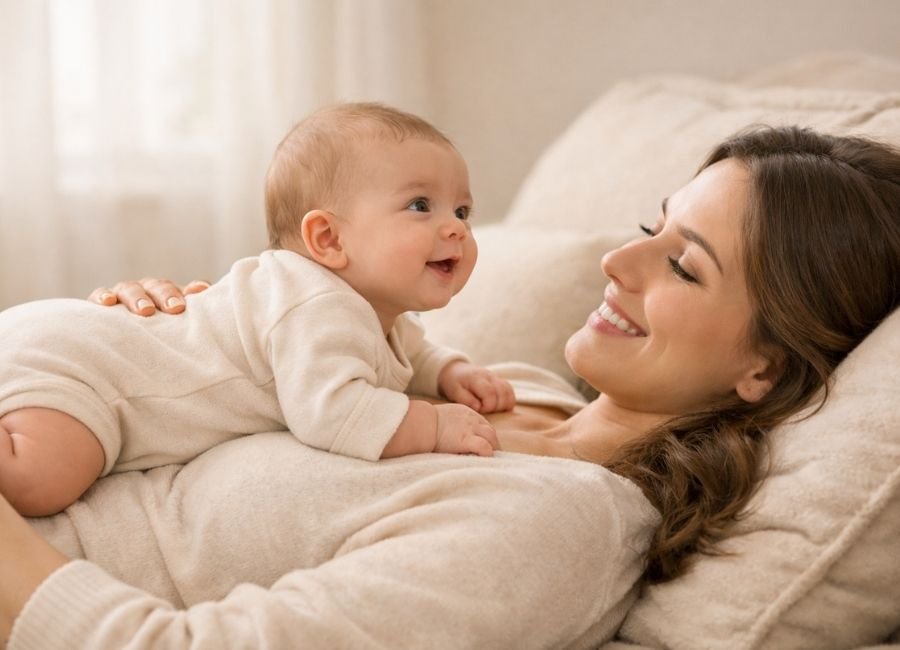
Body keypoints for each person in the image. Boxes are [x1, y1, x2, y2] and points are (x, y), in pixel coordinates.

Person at [2, 125, 898, 648]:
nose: (616, 262)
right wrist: (139, 336)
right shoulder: (499, 391)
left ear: (766, 368)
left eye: (685, 267)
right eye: (646, 227)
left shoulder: (560, 524)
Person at [0, 102, 516, 517]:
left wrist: (450, 370)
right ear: (328, 238)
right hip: (85, 372)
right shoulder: (316, 305)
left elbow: (409, 351)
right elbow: (332, 412)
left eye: (463, 210)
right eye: (421, 206)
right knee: (38, 479)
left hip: (79, 348)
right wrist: (434, 425)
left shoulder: (370, 314)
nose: (457, 229)